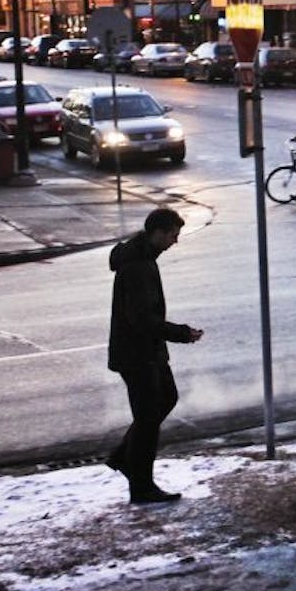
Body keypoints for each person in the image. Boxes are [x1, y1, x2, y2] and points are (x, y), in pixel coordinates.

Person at [104, 207, 204, 504]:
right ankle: (141, 487)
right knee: (147, 419)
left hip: (148, 350)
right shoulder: (137, 266)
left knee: (166, 398)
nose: (176, 241)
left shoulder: (144, 256)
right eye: (173, 235)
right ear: (157, 232)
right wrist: (182, 333)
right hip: (137, 354)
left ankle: (124, 457)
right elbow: (142, 319)